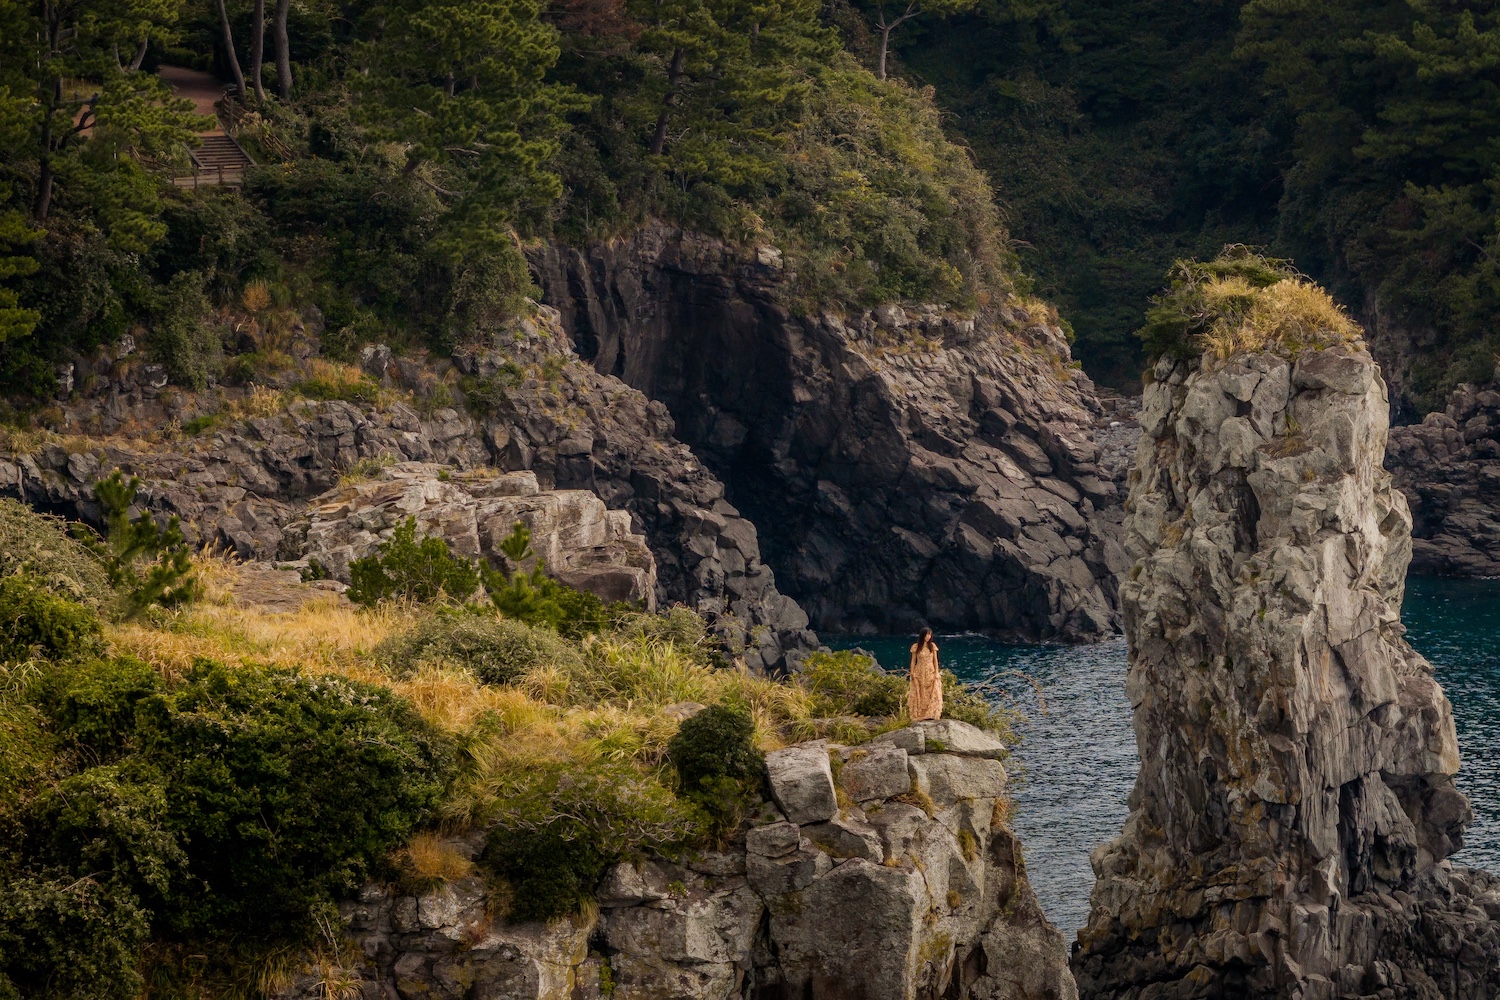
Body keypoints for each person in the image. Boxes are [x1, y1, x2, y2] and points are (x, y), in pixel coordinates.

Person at [908, 627, 942, 722]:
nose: (928, 636)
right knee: (920, 692)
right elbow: (913, 661)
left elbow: (935, 661)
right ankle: (920, 714)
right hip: (919, 671)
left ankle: (931, 713)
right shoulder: (916, 646)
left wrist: (936, 672)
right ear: (922, 635)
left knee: (932, 691)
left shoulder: (932, 646)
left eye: (930, 634)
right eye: (927, 634)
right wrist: (912, 672)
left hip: (930, 671)